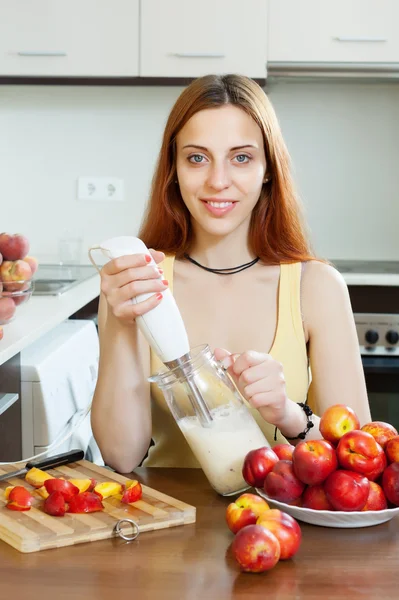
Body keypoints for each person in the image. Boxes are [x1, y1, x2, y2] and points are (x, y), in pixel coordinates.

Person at [91, 74, 371, 473]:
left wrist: (288, 415)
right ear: (173, 169)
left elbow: (357, 460)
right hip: (170, 524)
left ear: (268, 169)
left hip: (285, 525)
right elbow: (121, 455)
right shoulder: (138, 283)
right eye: (197, 158)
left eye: (241, 157)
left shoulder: (316, 288)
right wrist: (120, 323)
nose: (217, 181)